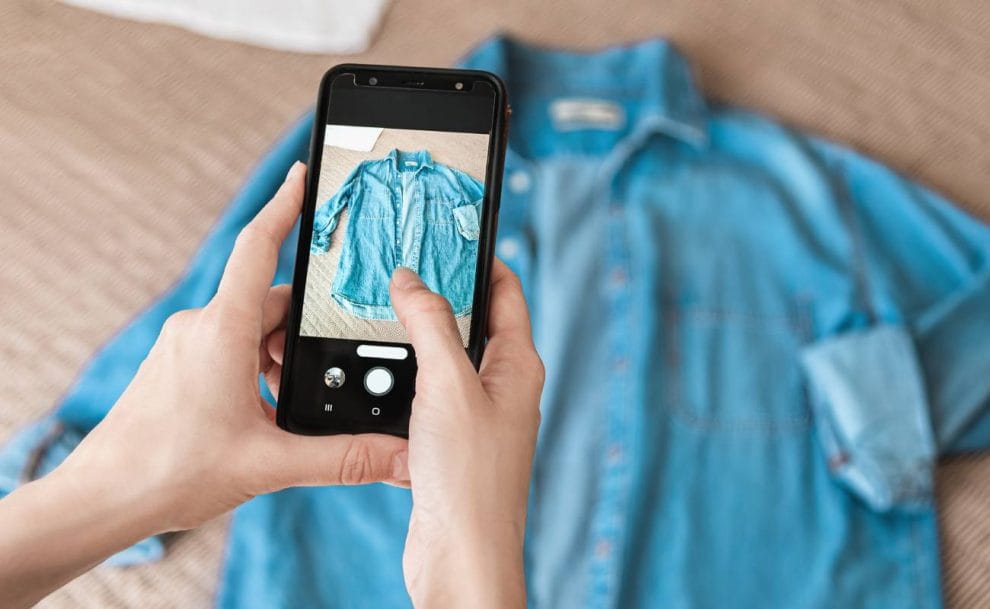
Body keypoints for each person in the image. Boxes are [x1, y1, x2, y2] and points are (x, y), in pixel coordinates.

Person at [0, 162, 545, 609]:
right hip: (359, 294)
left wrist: (91, 492)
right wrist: (472, 552)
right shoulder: (367, 164)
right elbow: (258, 258)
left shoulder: (450, 172)